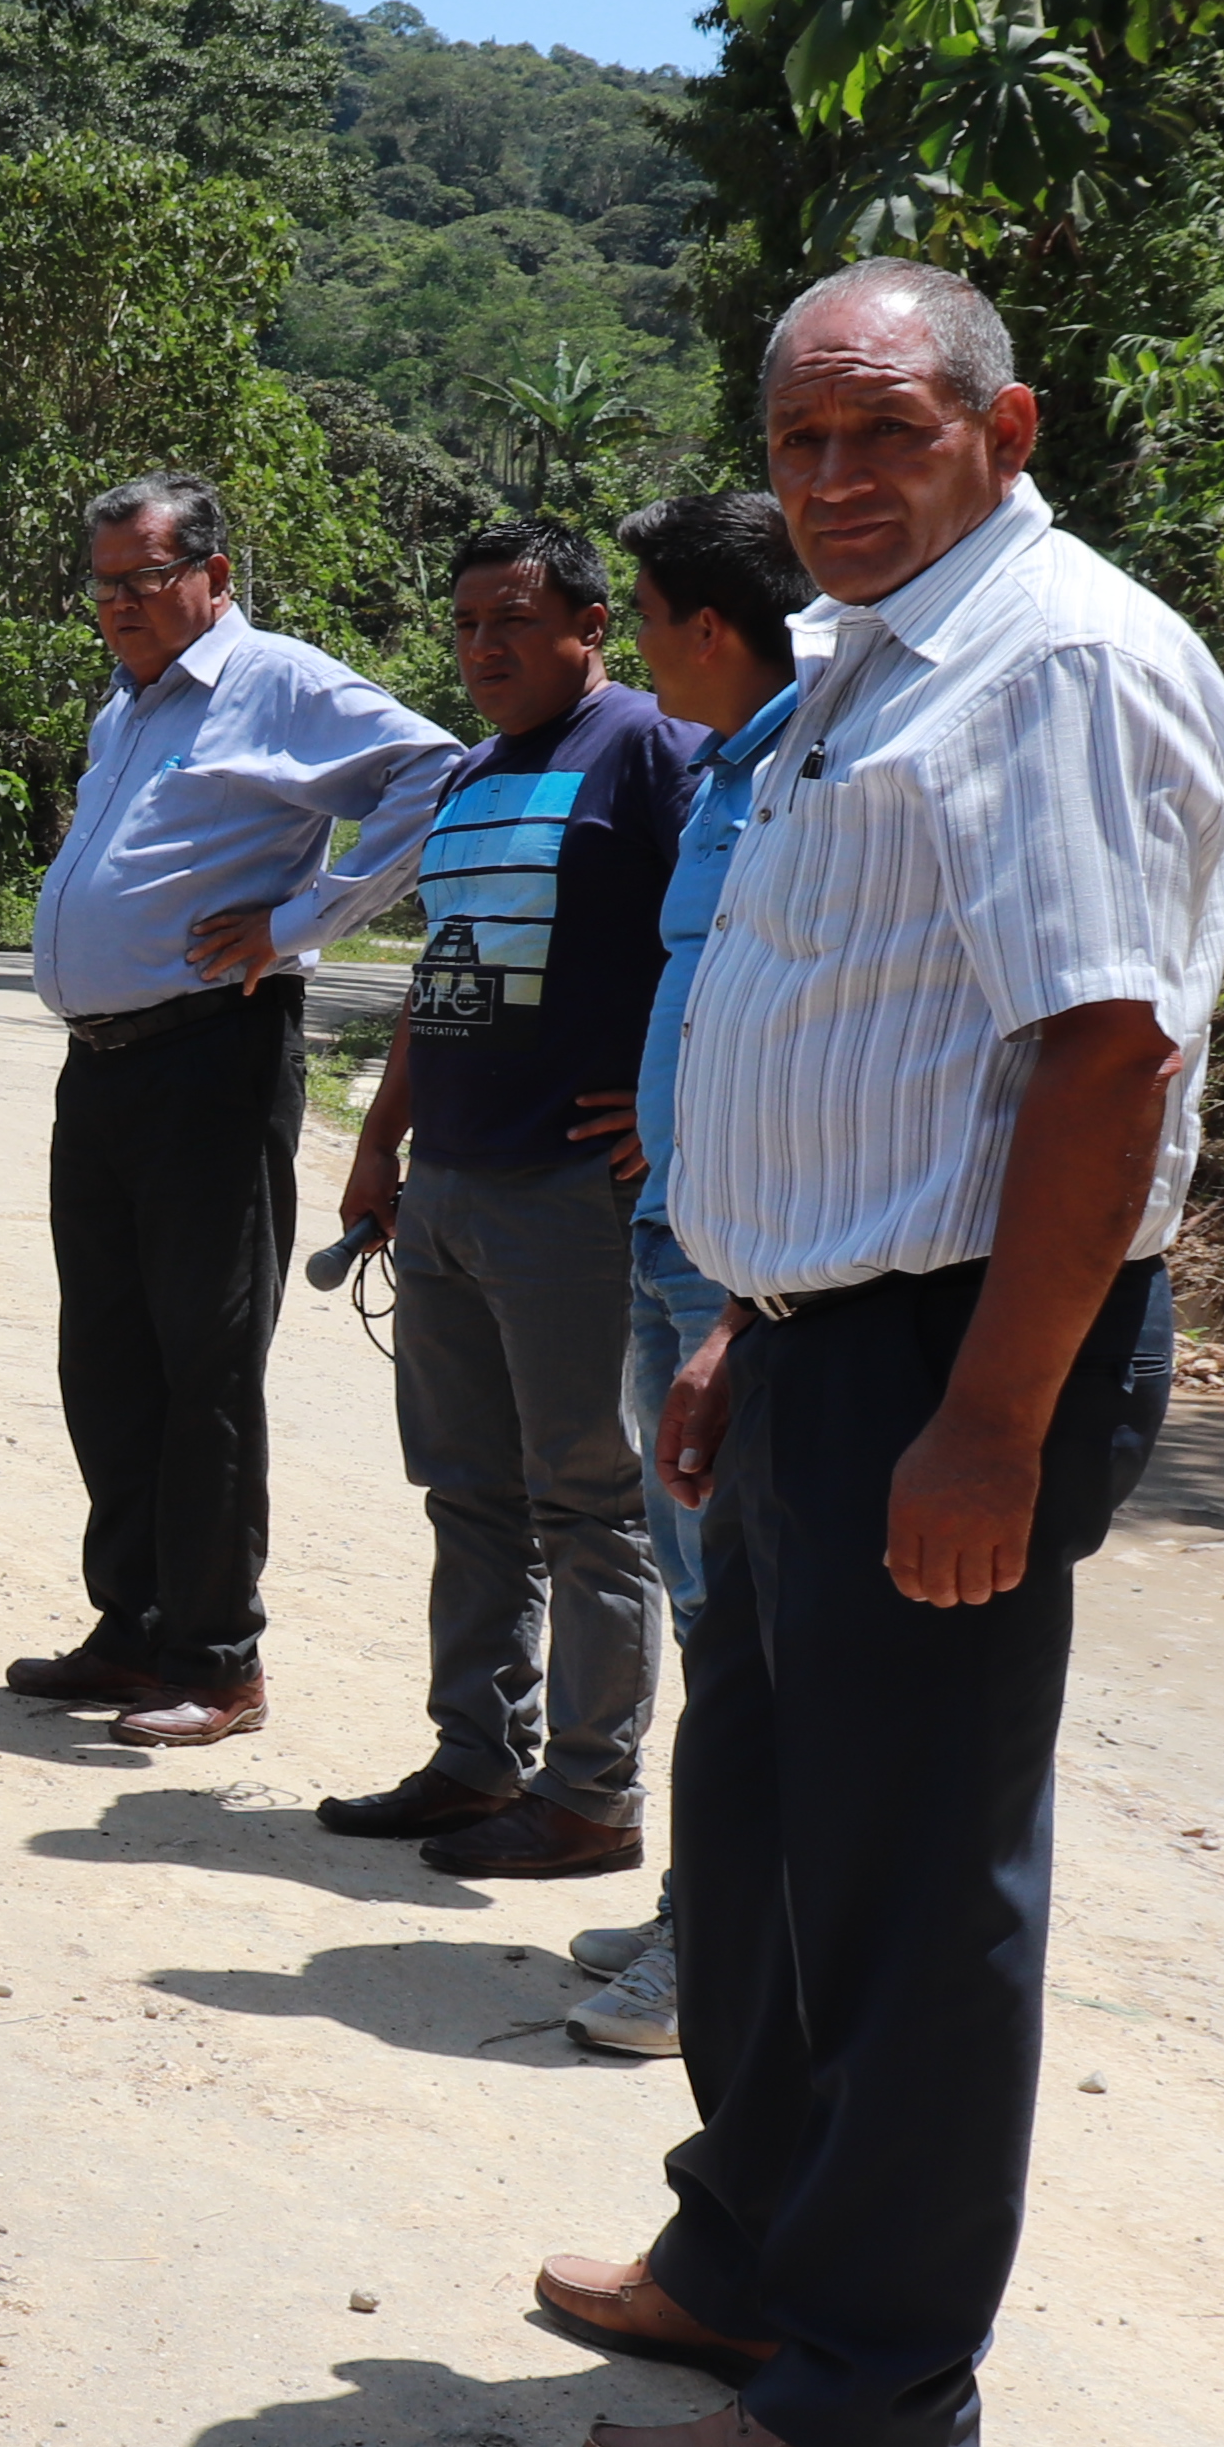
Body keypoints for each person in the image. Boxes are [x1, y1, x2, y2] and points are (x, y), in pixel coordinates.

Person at [542, 260, 1224, 2447]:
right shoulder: (869, 671)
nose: (836, 483)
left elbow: (1101, 1053)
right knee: (754, 1834)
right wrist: (768, 1312)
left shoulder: (1061, 667)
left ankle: (873, 2395)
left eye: (887, 435)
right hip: (839, 1339)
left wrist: (988, 1417)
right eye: (803, 445)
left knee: (917, 1878)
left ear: (1001, 428)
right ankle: (752, 2258)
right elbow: (884, 1050)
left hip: (964, 1365)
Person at [4, 475, 460, 1750]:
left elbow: (438, 773)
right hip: (103, 1068)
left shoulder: (277, 680)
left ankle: (217, 1656)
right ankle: (132, 1624)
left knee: (204, 1362)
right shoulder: (131, 703)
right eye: (100, 586)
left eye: (140, 582)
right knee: (107, 1355)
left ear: (209, 571)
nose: (117, 607)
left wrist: (303, 922)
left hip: (210, 1058)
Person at [313, 526, 700, 1880]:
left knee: (586, 1505)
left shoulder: (650, 751)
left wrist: (676, 1104)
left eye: (516, 621)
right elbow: (441, 976)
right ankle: (478, 1761)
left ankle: (593, 1797)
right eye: (469, 622)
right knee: (468, 1494)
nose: (486, 647)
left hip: (570, 1198)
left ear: (592, 625)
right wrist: (382, 1148)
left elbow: (726, 929)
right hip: (453, 1189)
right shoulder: (475, 775)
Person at [554, 488, 825, 2057]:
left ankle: (721, 1958)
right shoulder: (734, 765)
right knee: (694, 1582)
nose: (640, 650)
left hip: (733, 1260)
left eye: (643, 619)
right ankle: (693, 1913)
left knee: (730, 1610)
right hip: (676, 1235)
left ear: (704, 626)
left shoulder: (809, 767)